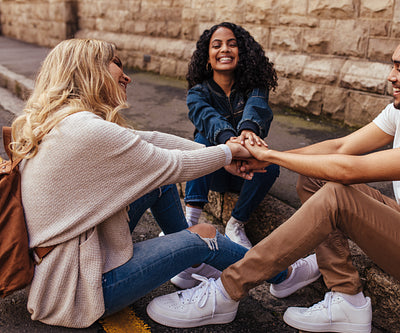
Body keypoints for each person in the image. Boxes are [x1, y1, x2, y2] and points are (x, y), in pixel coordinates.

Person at [148, 23, 400, 332]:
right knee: (314, 180)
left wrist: (269, 156)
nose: (391, 76)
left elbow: (348, 169)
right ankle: (347, 298)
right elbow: (342, 145)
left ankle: (227, 290)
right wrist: (260, 160)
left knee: (336, 193)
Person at [10, 38, 319, 328]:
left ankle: (189, 266)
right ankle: (284, 273)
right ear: (91, 71)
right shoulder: (86, 130)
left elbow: (154, 141)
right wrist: (231, 152)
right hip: (74, 288)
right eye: (117, 64)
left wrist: (228, 158)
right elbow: (171, 164)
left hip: (70, 259)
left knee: (158, 185)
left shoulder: (66, 121)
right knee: (205, 235)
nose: (127, 77)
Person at [183, 22, 280, 249]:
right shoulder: (198, 93)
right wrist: (228, 144)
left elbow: (256, 107)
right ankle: (189, 221)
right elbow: (207, 118)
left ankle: (235, 225)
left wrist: (248, 130)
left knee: (271, 164)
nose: (225, 49)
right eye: (217, 45)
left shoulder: (255, 87)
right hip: (213, 169)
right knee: (201, 143)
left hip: (245, 173)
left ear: (242, 54)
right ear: (207, 58)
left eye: (232, 44)